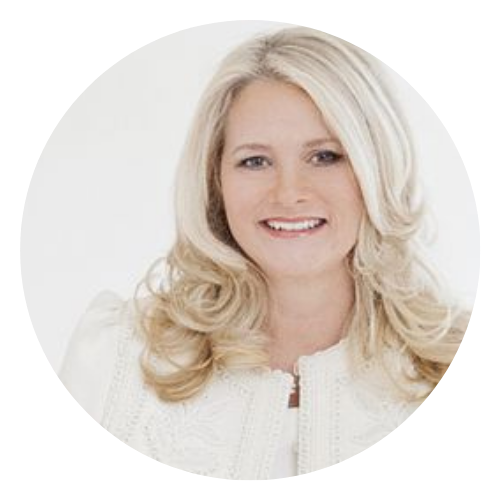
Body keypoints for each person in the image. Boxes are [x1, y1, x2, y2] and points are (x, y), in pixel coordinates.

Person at [58, 26, 471, 481]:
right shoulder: (114, 358)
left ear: (377, 169)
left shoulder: (467, 369)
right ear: (216, 182)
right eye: (255, 161)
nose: (289, 193)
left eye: (325, 156)